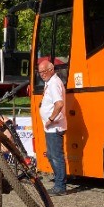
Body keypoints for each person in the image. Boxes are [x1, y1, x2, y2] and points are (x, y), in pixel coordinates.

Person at [37, 58, 68, 195]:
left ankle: (60, 186)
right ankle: (58, 179)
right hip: (51, 127)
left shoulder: (54, 83)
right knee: (51, 154)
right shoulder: (50, 83)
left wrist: (50, 119)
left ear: (51, 70)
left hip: (54, 126)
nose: (42, 74)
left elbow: (59, 103)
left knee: (56, 156)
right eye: (40, 72)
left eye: (44, 71)